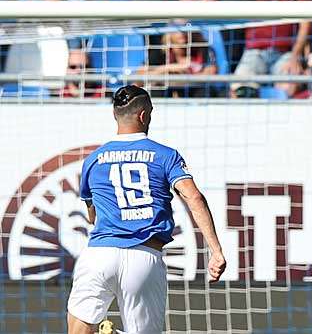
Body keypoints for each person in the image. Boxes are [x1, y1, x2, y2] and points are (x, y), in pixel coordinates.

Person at [68, 85, 226, 334]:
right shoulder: (166, 155)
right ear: (144, 115)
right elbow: (194, 197)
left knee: (78, 330)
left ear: (114, 115)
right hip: (143, 257)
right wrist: (215, 251)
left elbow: (92, 215)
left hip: (99, 255)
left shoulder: (93, 160)